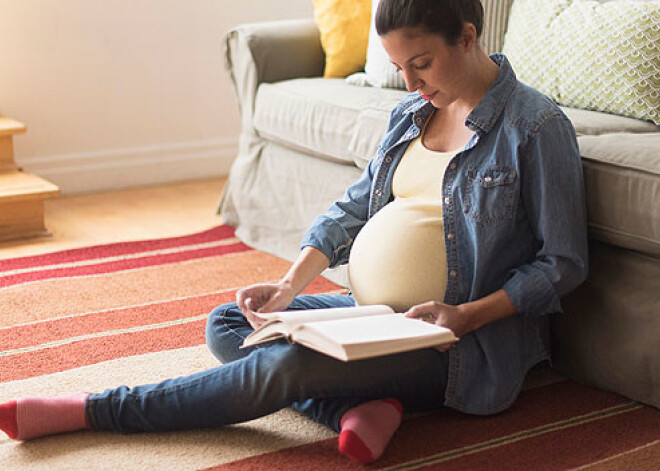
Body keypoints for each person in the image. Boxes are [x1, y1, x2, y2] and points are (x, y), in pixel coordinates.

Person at [0, 0, 588, 464]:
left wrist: (466, 316)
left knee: (282, 368)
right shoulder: (413, 113)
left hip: (452, 342)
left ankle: (95, 411)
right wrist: (286, 287)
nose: (409, 84)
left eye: (422, 63)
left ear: (467, 35)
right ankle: (357, 406)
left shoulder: (535, 127)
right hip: (373, 317)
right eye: (398, 67)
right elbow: (356, 205)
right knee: (235, 322)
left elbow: (562, 264)